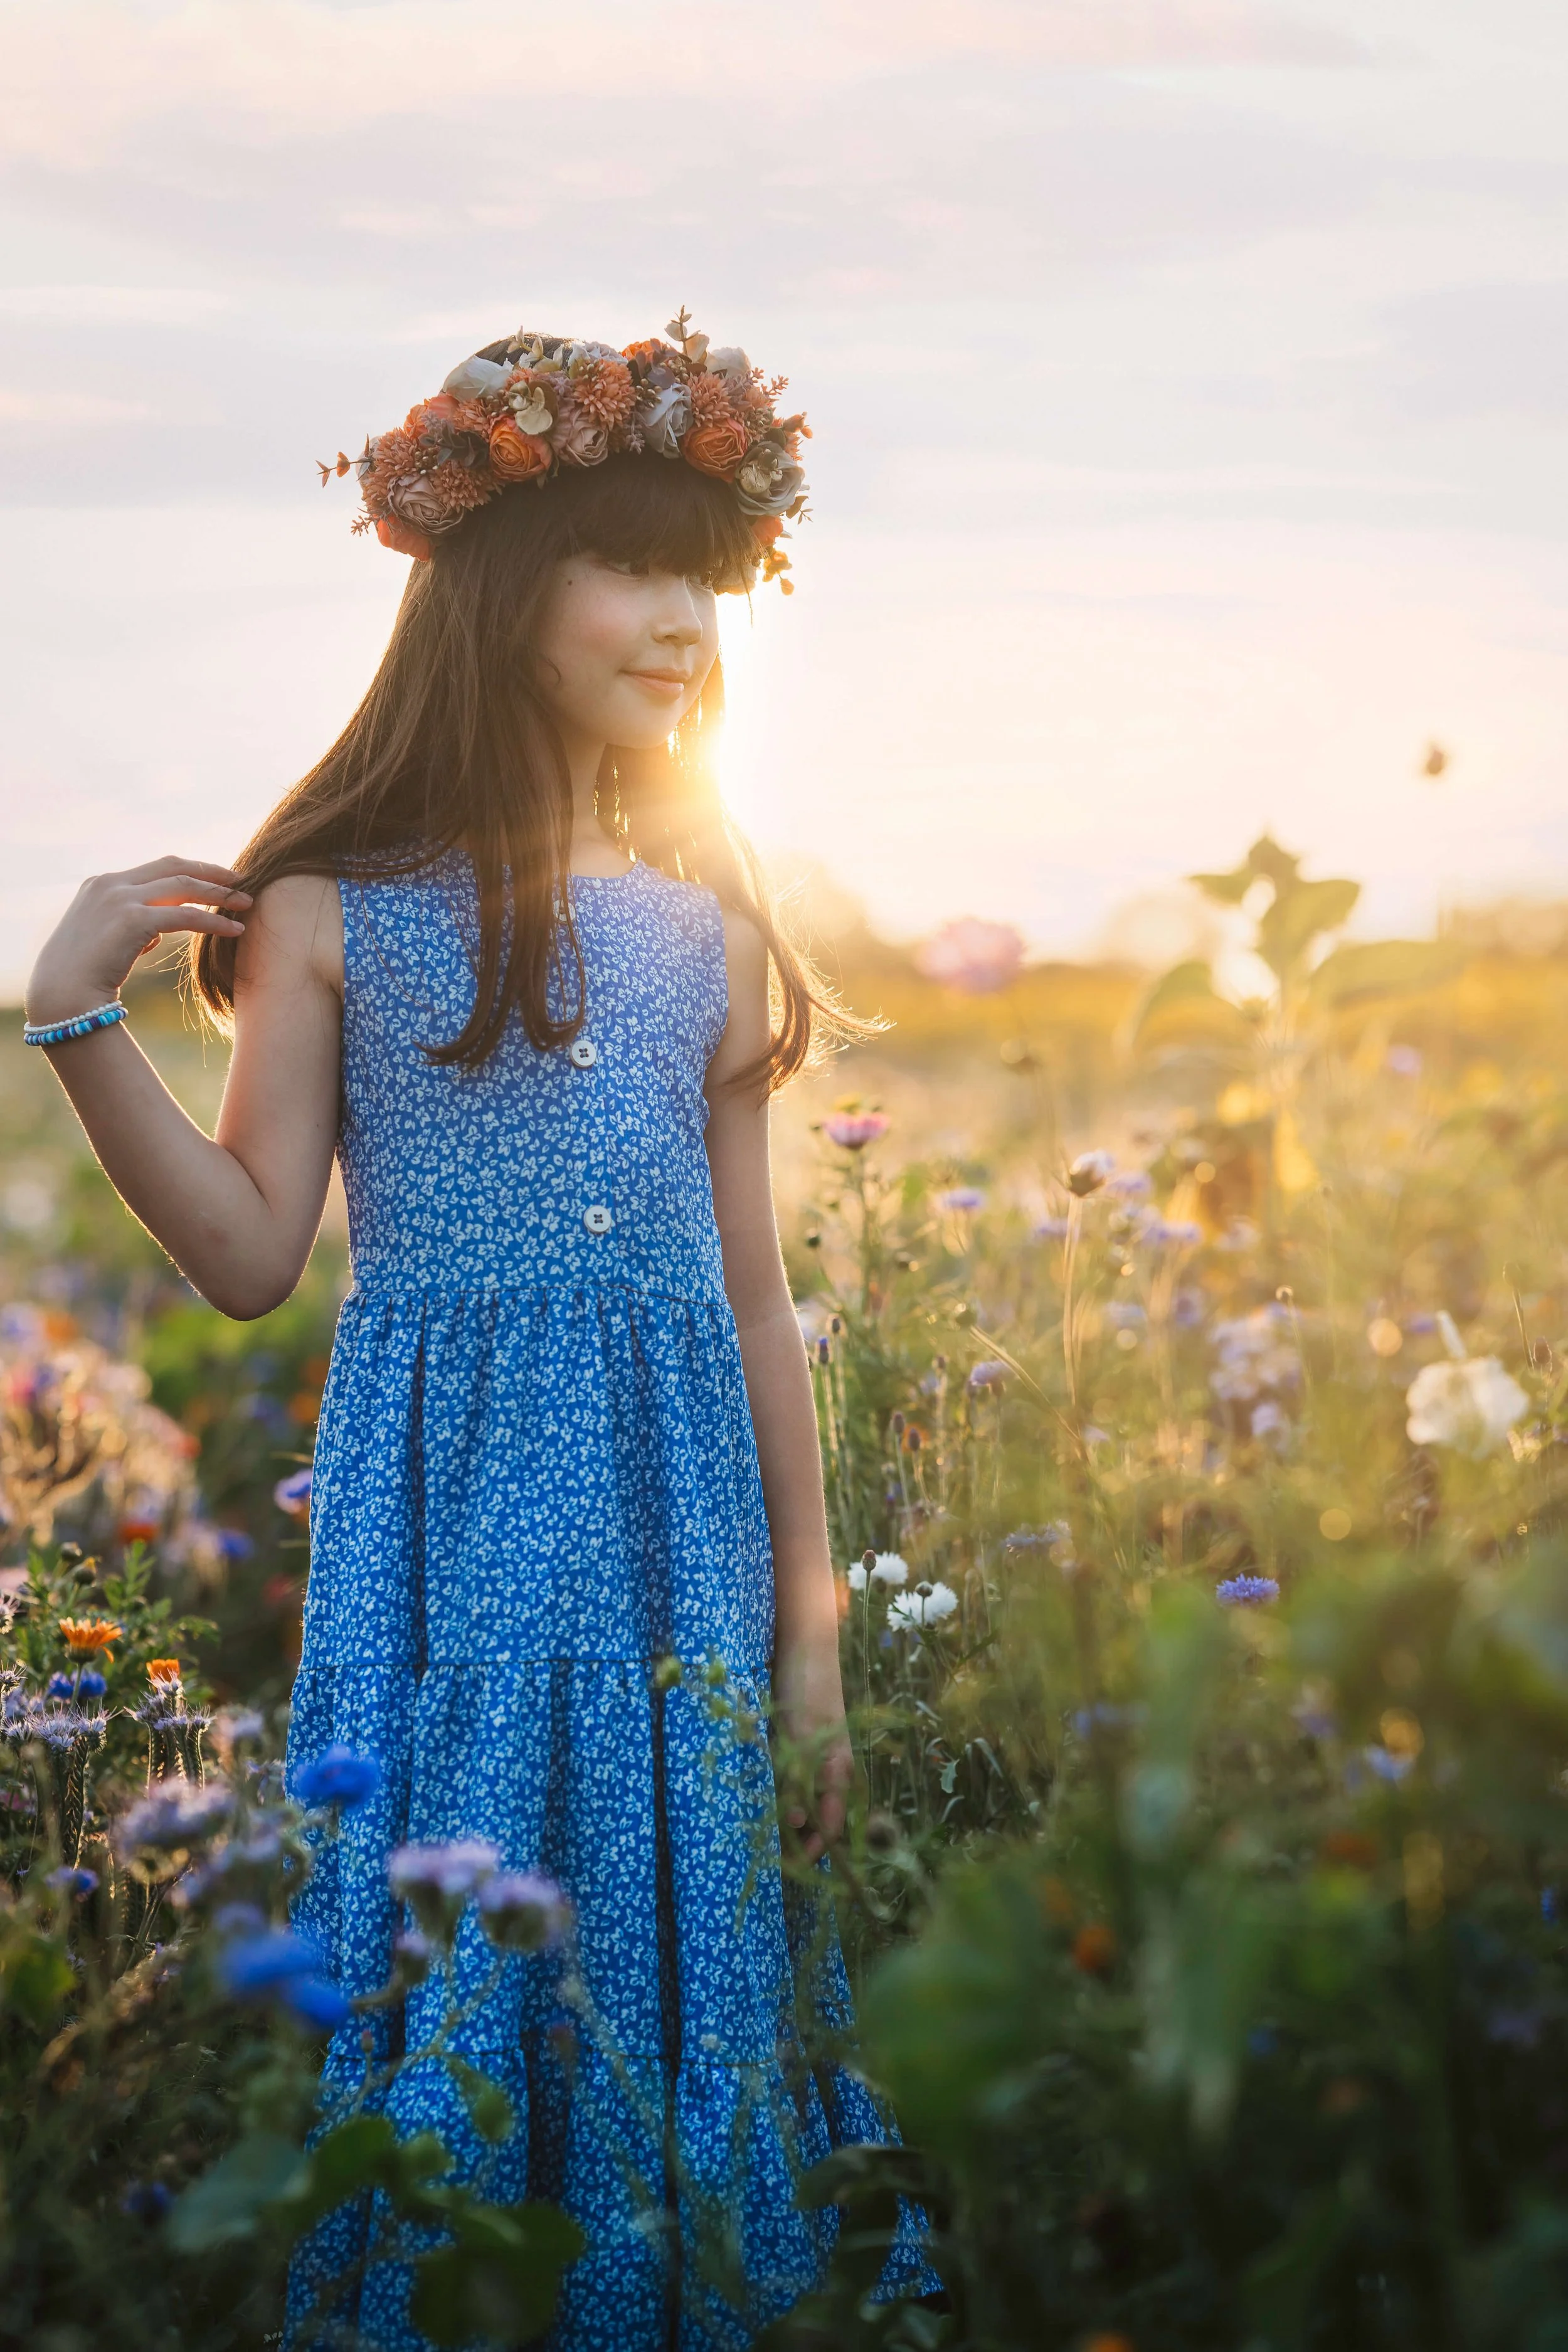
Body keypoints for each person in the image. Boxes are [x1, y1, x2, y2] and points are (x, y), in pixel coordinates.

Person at [23, 318, 937, 2346]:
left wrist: (811, 1638)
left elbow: (757, 1295)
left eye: (711, 575)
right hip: (445, 1549)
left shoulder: (705, 908)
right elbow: (255, 1251)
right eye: (634, 566)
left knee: (679, 1953)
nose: (686, 617)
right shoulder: (339, 908)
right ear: (507, 594)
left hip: (676, 1532)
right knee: (475, 1956)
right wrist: (79, 1028)